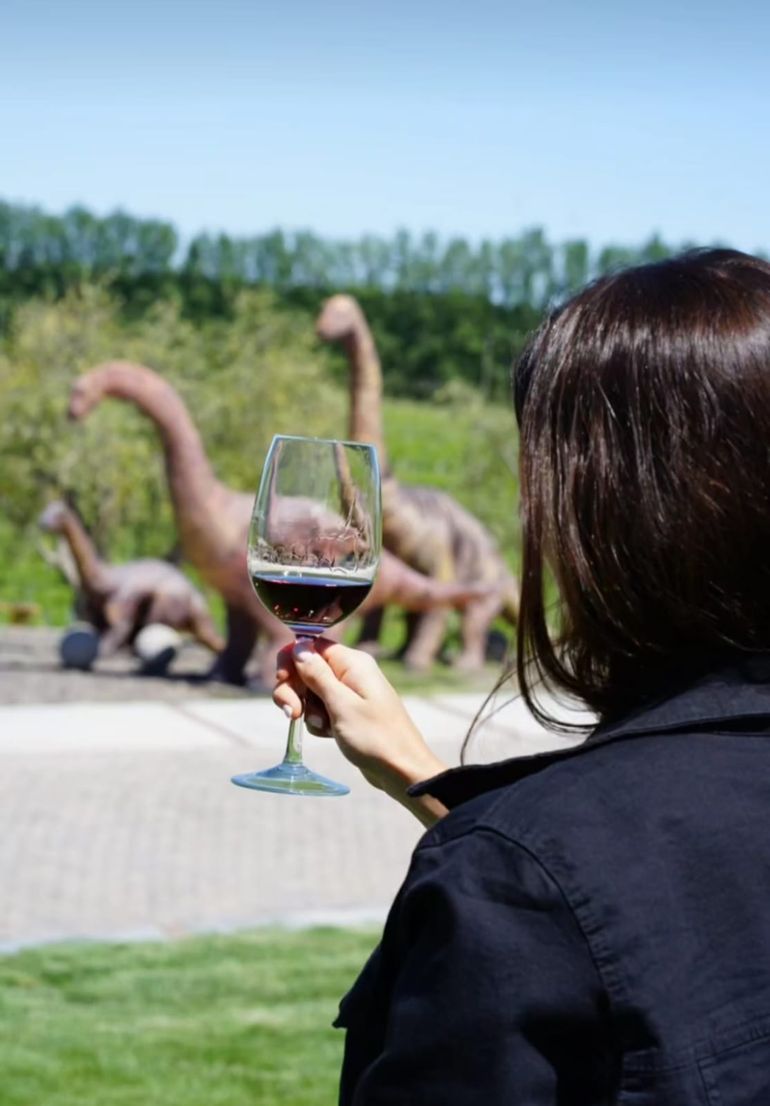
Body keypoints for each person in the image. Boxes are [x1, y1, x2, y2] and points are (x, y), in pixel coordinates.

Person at [275, 248, 770, 1104]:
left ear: (605, 510)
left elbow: (578, 896)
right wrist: (426, 781)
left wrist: (498, 849)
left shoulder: (505, 895)